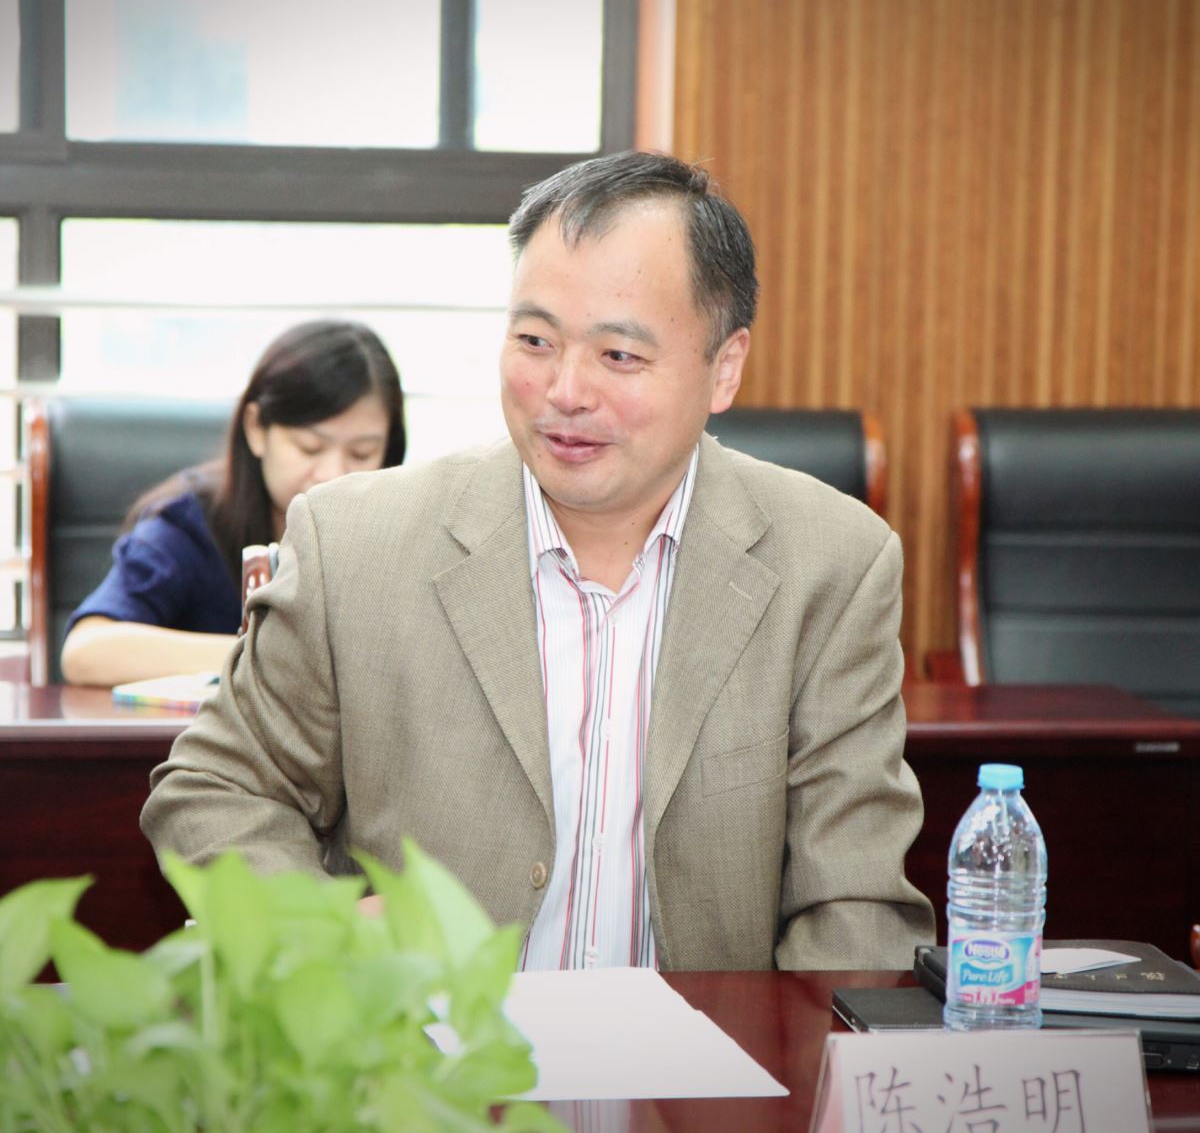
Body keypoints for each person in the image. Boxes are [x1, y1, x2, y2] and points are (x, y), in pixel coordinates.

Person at [142, 151, 934, 971]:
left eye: (618, 355)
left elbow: (854, 903)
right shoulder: (353, 545)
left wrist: (784, 1050)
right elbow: (217, 790)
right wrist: (321, 933)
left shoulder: (831, 565)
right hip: (424, 1048)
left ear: (723, 367)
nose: (565, 391)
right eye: (534, 340)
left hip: (706, 1052)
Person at [60, 321, 405, 687]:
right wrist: (265, 656)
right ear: (256, 429)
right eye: (310, 448)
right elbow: (86, 650)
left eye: (362, 453)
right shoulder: (189, 527)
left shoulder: (400, 536)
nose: (332, 474)